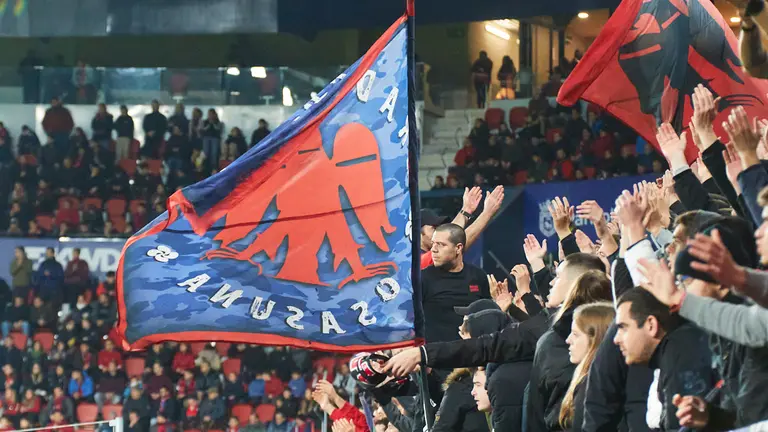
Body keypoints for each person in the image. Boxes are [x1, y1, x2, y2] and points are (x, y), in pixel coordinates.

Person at [613, 288, 716, 430]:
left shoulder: (680, 349)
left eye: (623, 328)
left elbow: (680, 427)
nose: (616, 339)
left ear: (651, 325)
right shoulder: (674, 348)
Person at [559, 303, 615, 432]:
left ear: (596, 339)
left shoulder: (594, 387)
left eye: (575, 334)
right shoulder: (588, 381)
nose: (568, 340)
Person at [420, 185, 504, 269]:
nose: (437, 232)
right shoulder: (414, 260)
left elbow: (451, 235)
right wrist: (487, 213)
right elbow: (452, 241)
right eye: (433, 228)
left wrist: (467, 209)